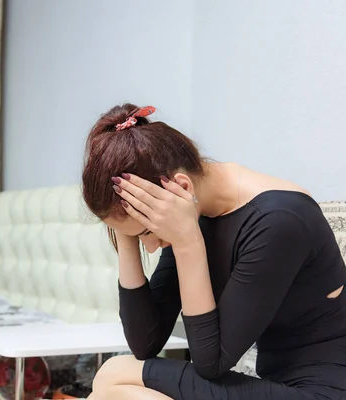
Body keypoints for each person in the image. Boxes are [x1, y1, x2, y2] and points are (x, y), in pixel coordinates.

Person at [81, 104, 346, 400]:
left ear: (180, 187)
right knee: (112, 384)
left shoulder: (279, 220)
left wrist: (188, 244)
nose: (151, 245)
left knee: (114, 375)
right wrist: (124, 231)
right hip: (274, 386)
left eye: (146, 232)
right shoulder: (193, 209)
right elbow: (145, 342)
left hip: (324, 392)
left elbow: (212, 362)